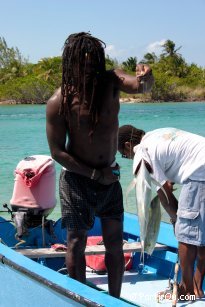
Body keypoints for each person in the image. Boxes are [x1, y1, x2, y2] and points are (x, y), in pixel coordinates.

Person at [46, 32, 154, 298]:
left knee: (115, 244)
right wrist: (96, 173)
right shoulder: (58, 102)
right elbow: (57, 152)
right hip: (77, 181)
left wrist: (146, 78)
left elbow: (142, 87)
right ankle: (80, 299)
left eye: (92, 65)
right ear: (69, 64)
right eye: (81, 65)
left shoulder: (111, 81)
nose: (87, 71)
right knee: (75, 242)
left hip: (110, 179)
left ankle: (114, 300)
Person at [118, 125, 205, 300]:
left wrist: (176, 221)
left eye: (123, 154)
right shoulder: (156, 135)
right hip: (200, 166)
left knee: (186, 234)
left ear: (128, 145)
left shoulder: (141, 151)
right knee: (200, 232)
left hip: (199, 174)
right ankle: (197, 285)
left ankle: (188, 289)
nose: (127, 157)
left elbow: (164, 194)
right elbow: (171, 176)